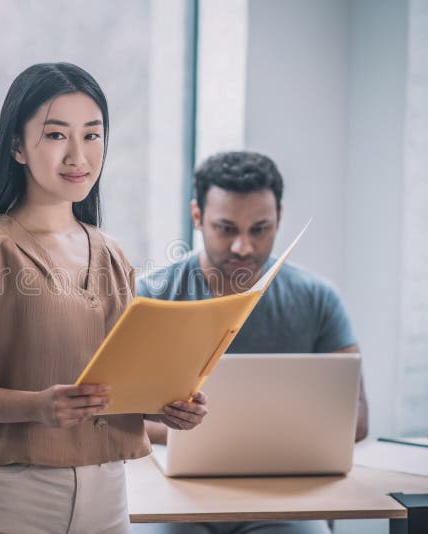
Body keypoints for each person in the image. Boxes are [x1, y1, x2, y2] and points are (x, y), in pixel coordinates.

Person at [0, 62, 207, 534]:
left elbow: (119, 383)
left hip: (110, 493)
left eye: (92, 135)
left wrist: (165, 406)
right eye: (57, 135)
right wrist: (37, 407)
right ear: (17, 146)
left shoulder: (112, 253)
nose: (79, 155)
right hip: (16, 494)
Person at [135, 151, 368, 534]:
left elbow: (356, 418)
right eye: (226, 228)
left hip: (284, 503)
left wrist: (209, 432)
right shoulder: (152, 295)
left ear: (279, 218)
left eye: (260, 229)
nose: (243, 247)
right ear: (197, 217)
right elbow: (113, 415)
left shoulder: (318, 298)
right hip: (172, 497)